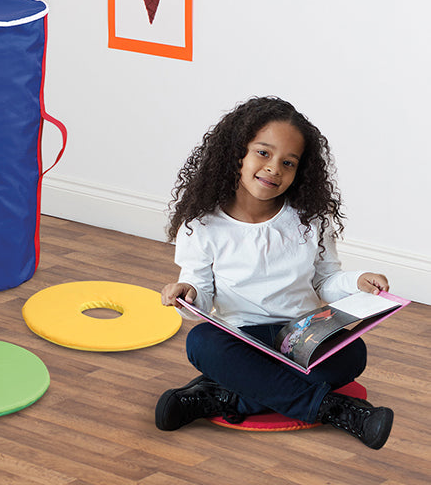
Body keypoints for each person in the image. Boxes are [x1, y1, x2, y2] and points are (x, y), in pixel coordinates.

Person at [156, 95, 394, 449]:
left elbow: (325, 281)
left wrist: (356, 283)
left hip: (300, 338)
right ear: (237, 152)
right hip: (242, 339)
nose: (273, 169)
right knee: (201, 343)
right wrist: (188, 293)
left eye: (288, 162)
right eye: (263, 153)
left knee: (353, 352)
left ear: (300, 172)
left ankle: (223, 397)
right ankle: (335, 410)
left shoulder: (308, 221)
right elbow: (201, 296)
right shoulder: (202, 225)